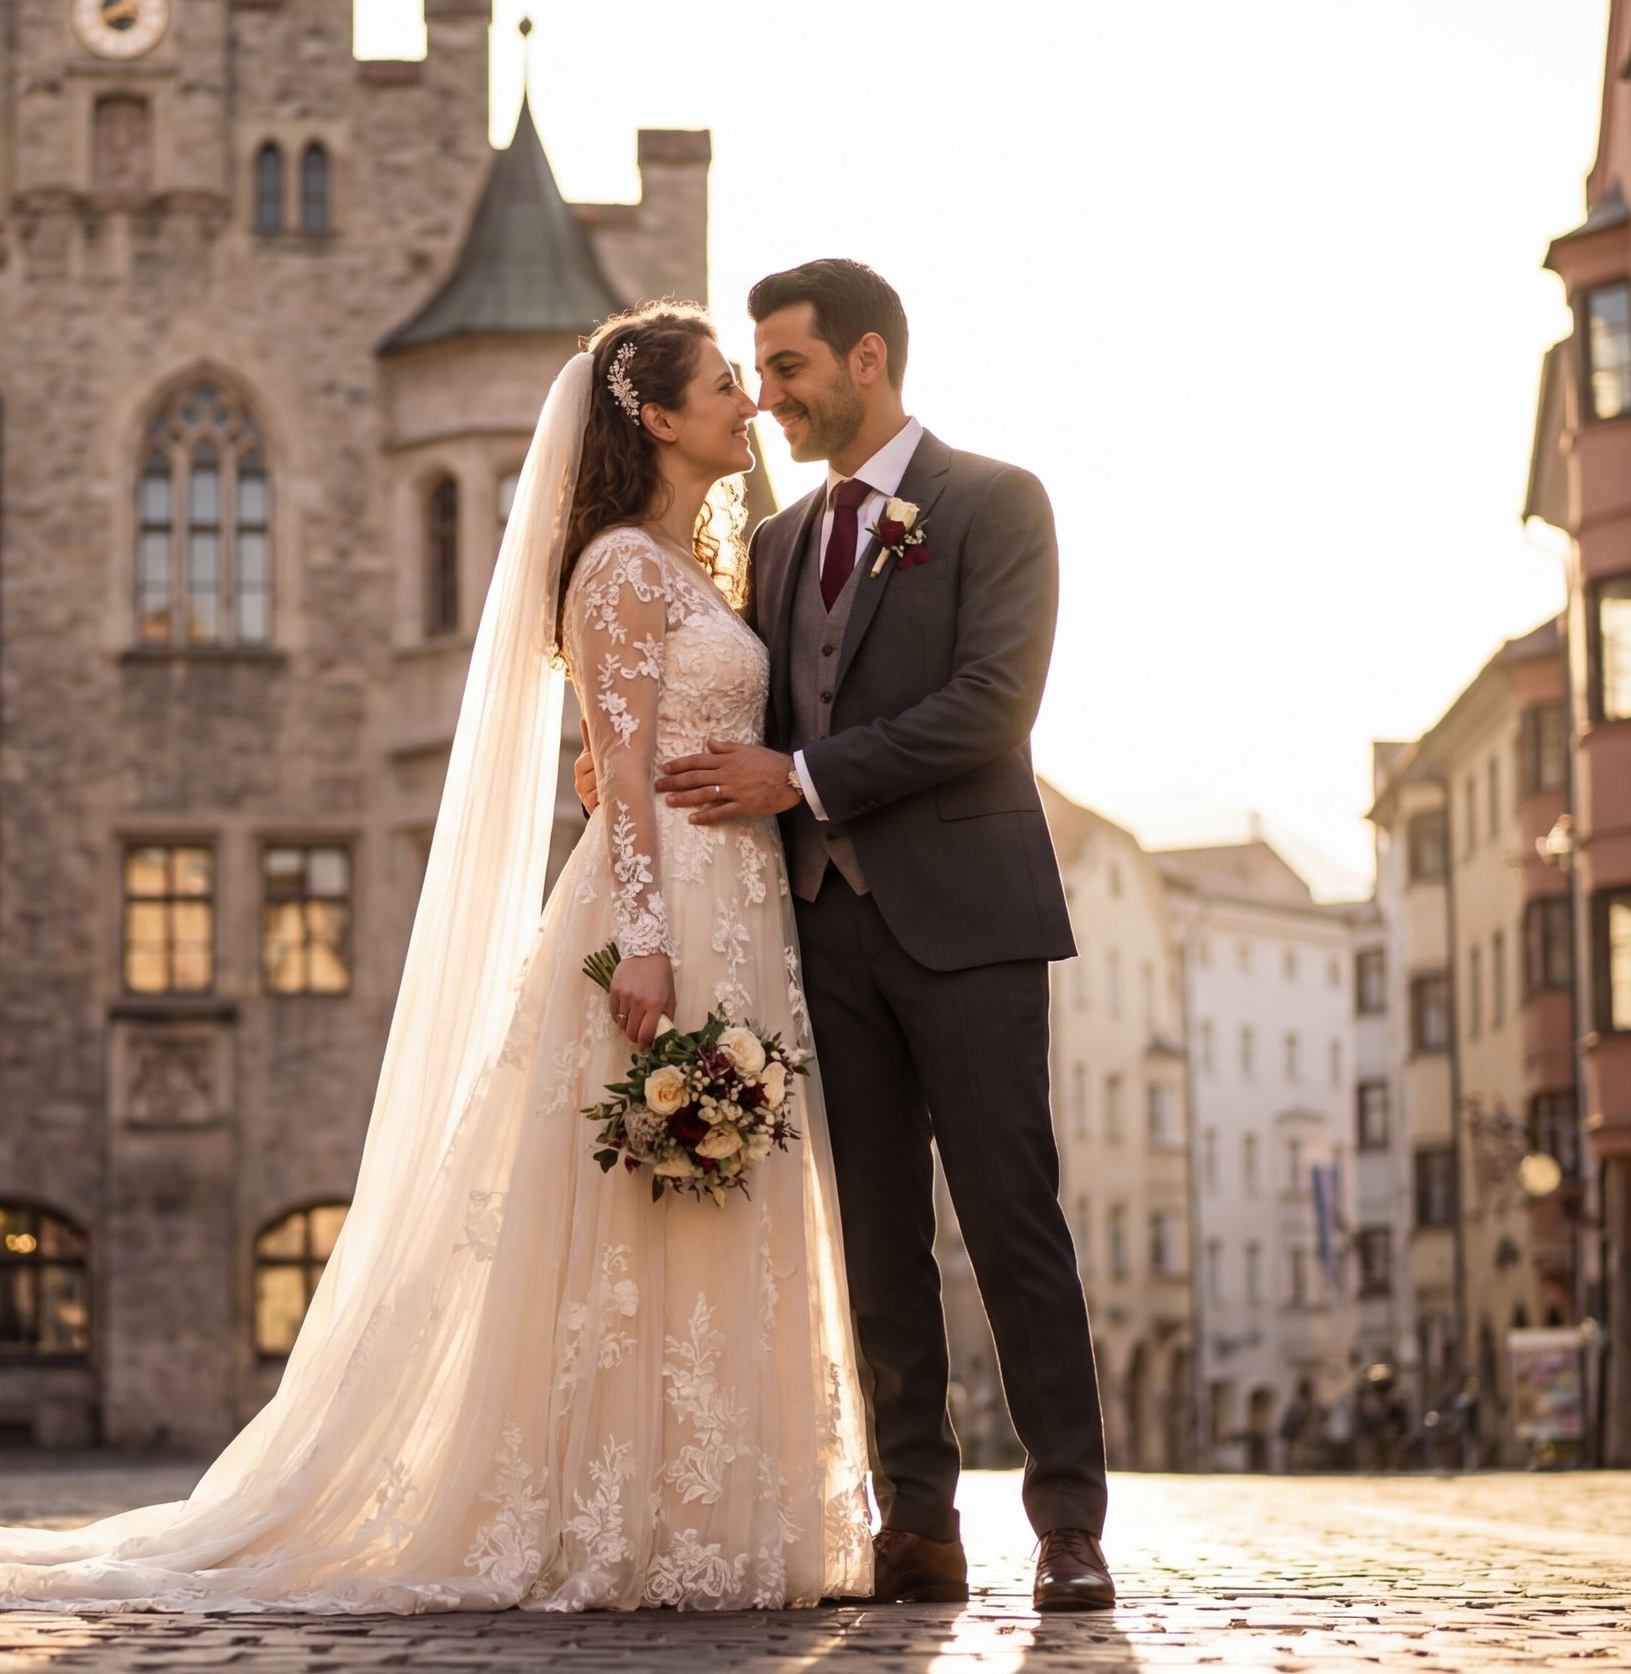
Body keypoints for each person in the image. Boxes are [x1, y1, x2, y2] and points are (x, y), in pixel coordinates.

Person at [0, 305, 874, 1612]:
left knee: (704, 1211)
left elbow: (613, 753)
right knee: (633, 1211)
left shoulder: (696, 566)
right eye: (725, 383)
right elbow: (617, 793)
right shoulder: (615, 568)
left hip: (742, 901)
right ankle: (617, 1510)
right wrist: (646, 950)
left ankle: (705, 1504)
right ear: (657, 418)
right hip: (667, 909)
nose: (747, 403)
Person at [614, 259, 1109, 1610]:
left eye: (786, 368)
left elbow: (991, 707)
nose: (766, 396)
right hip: (818, 933)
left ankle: (1068, 1523)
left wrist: (805, 780)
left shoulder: (997, 502)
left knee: (1013, 1221)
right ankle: (918, 1525)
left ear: (867, 359)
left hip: (973, 919)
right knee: (875, 1235)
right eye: (755, 373)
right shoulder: (772, 548)